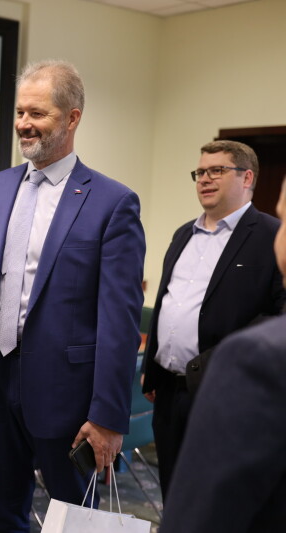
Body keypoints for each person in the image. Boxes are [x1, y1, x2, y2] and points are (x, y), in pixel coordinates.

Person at [0, 60, 145, 532]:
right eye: (20, 112)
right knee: (2, 513)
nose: (24, 123)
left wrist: (108, 416)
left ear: (72, 118)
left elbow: (119, 322)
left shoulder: (112, 202)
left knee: (73, 519)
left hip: (68, 395)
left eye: (37, 113)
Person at [141, 140, 284, 500]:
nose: (204, 179)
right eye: (200, 172)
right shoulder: (183, 234)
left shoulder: (271, 235)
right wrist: (153, 368)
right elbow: (168, 302)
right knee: (172, 493)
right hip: (168, 392)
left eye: (217, 170)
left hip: (223, 391)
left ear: (247, 177)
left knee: (215, 499)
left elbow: (279, 315)